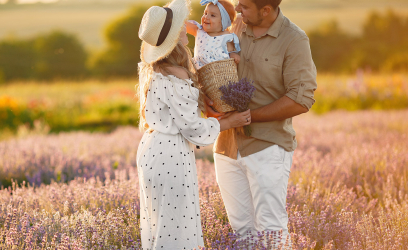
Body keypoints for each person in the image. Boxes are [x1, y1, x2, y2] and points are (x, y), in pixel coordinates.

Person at [135, 0, 252, 248]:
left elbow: (177, 110)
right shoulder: (175, 74)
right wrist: (228, 121)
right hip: (170, 155)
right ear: (174, 37)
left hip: (152, 150)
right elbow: (193, 130)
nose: (184, 28)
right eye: (179, 26)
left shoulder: (158, 68)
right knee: (176, 229)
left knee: (160, 225)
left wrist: (203, 105)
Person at [205, 0, 318, 248]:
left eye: (244, 6)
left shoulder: (294, 39)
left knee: (271, 230)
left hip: (268, 146)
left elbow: (301, 99)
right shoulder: (234, 26)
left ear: (266, 10)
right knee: (242, 233)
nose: (237, 8)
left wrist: (248, 117)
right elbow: (212, 66)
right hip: (226, 146)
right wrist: (208, 102)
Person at [186, 0, 242, 68]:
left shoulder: (227, 37)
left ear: (223, 22)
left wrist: (233, 55)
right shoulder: (199, 31)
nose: (206, 17)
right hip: (199, 72)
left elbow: (230, 52)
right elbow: (182, 25)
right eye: (205, 13)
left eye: (212, 15)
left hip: (218, 73)